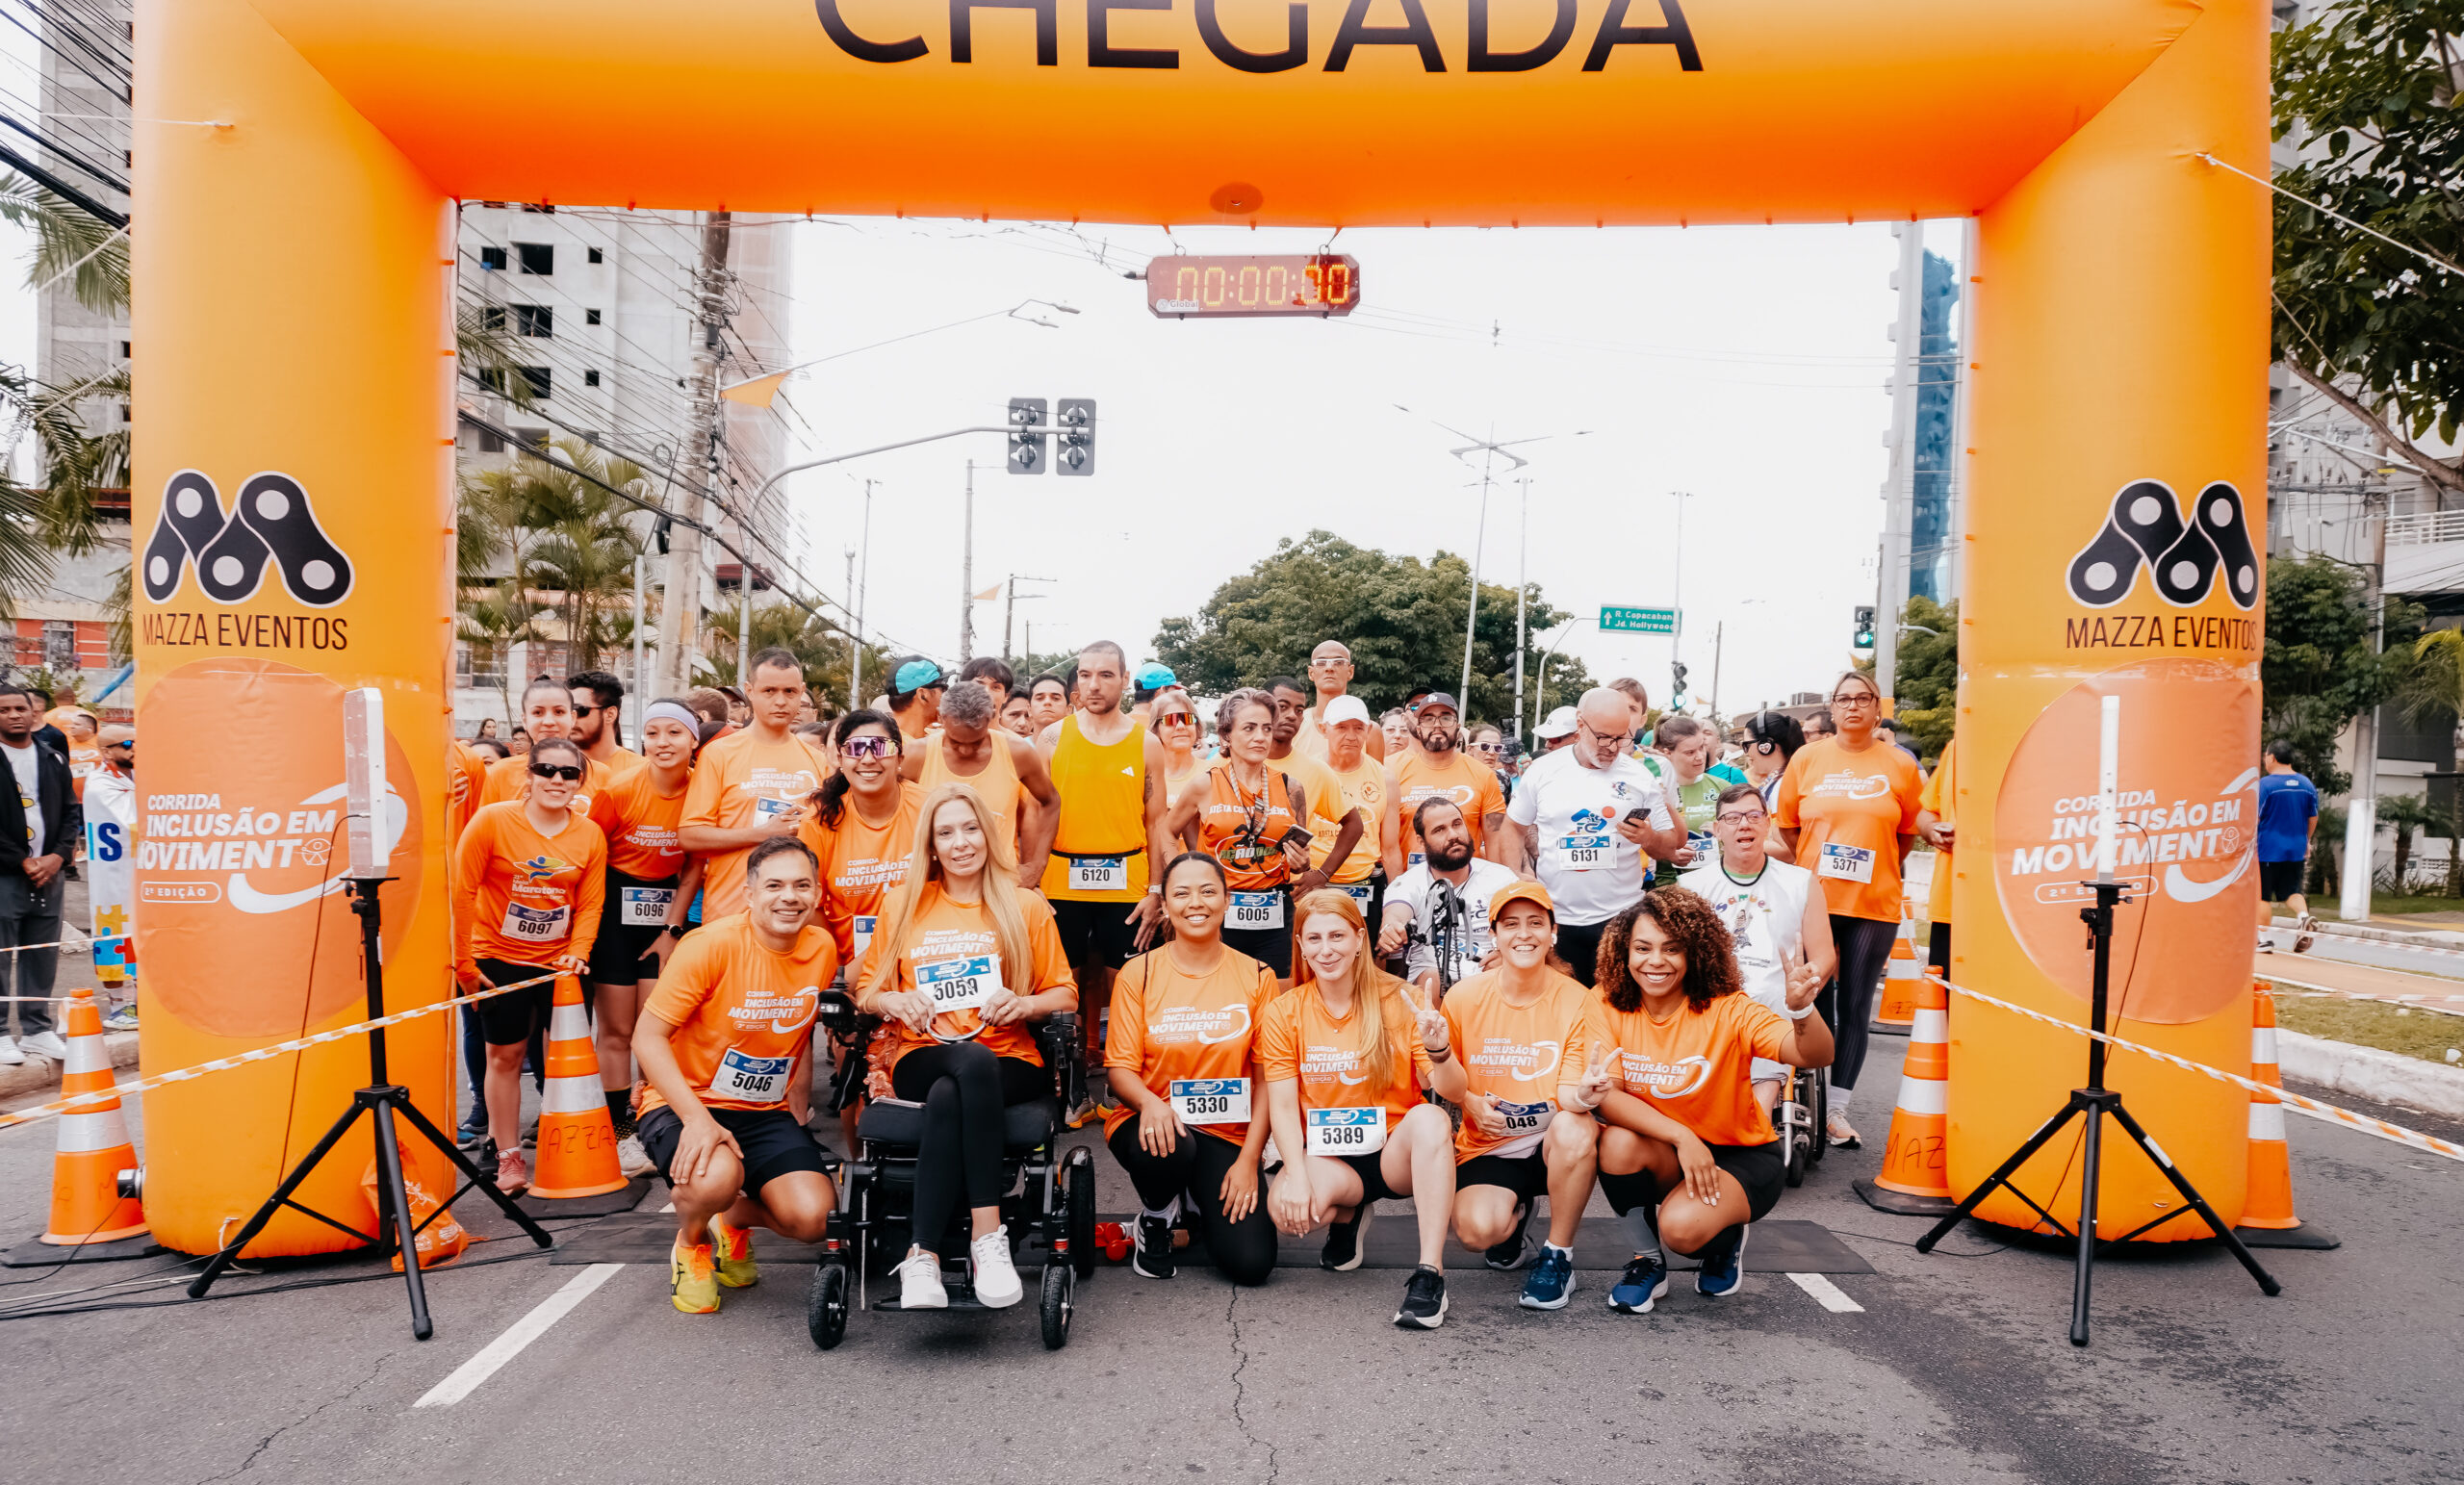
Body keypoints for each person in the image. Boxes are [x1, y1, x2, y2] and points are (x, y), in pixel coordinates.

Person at [856, 783, 1078, 1310]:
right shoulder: (905, 905)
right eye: (946, 832)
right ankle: (987, 1237)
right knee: (961, 1068)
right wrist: (896, 1000)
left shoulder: (1024, 905)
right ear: (930, 844)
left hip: (1010, 1058)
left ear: (989, 833)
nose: (960, 842)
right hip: (922, 1051)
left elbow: (1065, 990)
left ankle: (924, 1255)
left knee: (960, 1084)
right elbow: (866, 991)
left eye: (971, 828)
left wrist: (1024, 1005)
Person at [1578, 889, 1830, 1312]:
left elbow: (1814, 1055)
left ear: (1695, 953)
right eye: (1642, 948)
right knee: (1616, 1142)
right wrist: (1682, 1138)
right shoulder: (1605, 1001)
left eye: (1671, 949)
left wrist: (1802, 1011)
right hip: (1671, 1147)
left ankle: (1725, 1240)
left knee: (1682, 1231)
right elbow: (1609, 1098)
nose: (1655, 961)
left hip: (1741, 1155)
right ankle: (1647, 1262)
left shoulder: (1729, 1008)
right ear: (1624, 952)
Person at [633, 835, 840, 1314]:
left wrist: (799, 1103)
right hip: (686, 1103)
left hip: (763, 1109)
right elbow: (646, 1037)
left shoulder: (821, 947)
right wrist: (698, 1120)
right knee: (715, 1177)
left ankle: (730, 1220)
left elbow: (800, 1028)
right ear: (749, 895)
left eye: (801, 885)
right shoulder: (709, 945)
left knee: (815, 1219)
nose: (789, 896)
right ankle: (692, 1243)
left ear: (816, 894)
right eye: (774, 885)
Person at [1262, 888, 1464, 1328]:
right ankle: (1350, 1214)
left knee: (1431, 1118)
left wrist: (1440, 1048)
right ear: (1300, 946)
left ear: (1359, 939)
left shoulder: (1401, 999)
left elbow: (1454, 1091)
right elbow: (1280, 1106)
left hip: (1394, 1155)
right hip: (1330, 1157)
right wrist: (1295, 1174)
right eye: (1313, 939)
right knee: (1284, 1210)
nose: (1326, 949)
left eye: (1337, 936)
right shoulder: (1284, 1012)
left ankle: (1430, 1273)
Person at [1103, 853, 1281, 1285]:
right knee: (1171, 1144)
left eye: (1207, 891)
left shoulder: (1258, 976)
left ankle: (1196, 1204)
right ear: (1164, 905)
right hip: (1153, 1125)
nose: (1195, 902)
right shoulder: (1137, 973)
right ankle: (1158, 1216)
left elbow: (1265, 1083)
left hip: (1226, 1131)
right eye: (1181, 893)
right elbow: (1119, 1070)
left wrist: (1249, 1161)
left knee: (1251, 1265)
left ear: (1226, 900)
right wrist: (1149, 1103)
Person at [452, 736, 608, 1194]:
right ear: (529, 774)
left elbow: (591, 903)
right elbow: (462, 892)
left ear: (581, 781)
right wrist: (463, 962)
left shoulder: (589, 834)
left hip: (559, 964)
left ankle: (570, 1147)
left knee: (564, 1058)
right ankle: (508, 1157)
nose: (557, 780)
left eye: (568, 773)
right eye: (547, 770)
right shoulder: (493, 821)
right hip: (497, 956)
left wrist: (578, 951)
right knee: (505, 1055)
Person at [1774, 670, 1922, 1147]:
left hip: (1873, 902)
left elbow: (1904, 836)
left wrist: (1874, 865)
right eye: (1844, 699)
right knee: (1812, 998)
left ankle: (1836, 1111)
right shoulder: (1808, 758)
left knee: (1856, 1003)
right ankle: (1796, 1097)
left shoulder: (1900, 765)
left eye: (1864, 698)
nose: (1854, 706)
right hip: (1814, 899)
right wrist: (1813, 868)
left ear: (1879, 708)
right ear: (1833, 708)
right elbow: (1791, 827)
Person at [1440, 882, 1600, 1310]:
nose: (1523, 934)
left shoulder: (1579, 1001)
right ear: (1494, 935)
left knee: (1574, 1127)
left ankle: (1557, 1255)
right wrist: (1469, 1102)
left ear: (1553, 933)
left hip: (1552, 1140)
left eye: (1535, 923)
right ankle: (1516, 1217)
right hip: (1489, 1141)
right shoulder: (1463, 997)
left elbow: (1569, 1094)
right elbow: (1441, 1079)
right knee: (1476, 1234)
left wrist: (1583, 1096)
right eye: (1511, 924)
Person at [1036, 642, 1172, 1107]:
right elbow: (1035, 813)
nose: (1093, 685)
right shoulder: (1053, 739)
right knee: (1064, 985)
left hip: (1128, 880)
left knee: (1129, 984)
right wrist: (1031, 881)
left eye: (1105, 675)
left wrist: (1157, 889)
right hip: (1061, 878)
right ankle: (1068, 1086)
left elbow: (1157, 822)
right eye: (1086, 675)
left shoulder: (1145, 742)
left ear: (1123, 678)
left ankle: (1126, 1085)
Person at [585, 697, 705, 1173]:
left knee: (657, 1028)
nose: (662, 742)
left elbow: (695, 866)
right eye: (652, 733)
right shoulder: (618, 789)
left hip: (667, 908)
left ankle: (655, 1118)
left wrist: (672, 929)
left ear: (693, 740)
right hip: (614, 906)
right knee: (616, 1030)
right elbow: (590, 856)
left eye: (674, 732)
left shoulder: (701, 789)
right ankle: (622, 1134)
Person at [1503, 687, 1683, 986]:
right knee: (1565, 1014)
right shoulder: (1544, 771)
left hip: (1621, 919)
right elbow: (1512, 827)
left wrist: (1648, 838)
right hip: (1557, 920)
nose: (1611, 748)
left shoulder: (1638, 776)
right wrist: (1518, 874)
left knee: (1618, 1012)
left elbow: (1669, 847)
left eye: (1620, 738)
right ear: (1580, 724)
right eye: (1602, 737)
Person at [1680, 784, 1835, 1116]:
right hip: (1711, 1003)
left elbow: (1824, 955)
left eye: (1753, 815)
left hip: (1774, 1002)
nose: (1744, 825)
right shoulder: (1691, 886)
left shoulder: (1800, 881)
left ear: (1768, 824)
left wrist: (1808, 982)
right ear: (1718, 830)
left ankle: (1757, 1125)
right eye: (1732, 818)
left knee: (1770, 1003)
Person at [1164, 689, 1329, 983]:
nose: (1260, 737)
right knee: (1220, 995)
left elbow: (1299, 861)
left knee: (1276, 999)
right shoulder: (1204, 784)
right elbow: (1166, 830)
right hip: (1219, 909)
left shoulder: (1292, 788)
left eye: (1266, 728)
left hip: (1275, 910)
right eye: (1249, 728)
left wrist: (1302, 864)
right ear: (1226, 736)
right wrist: (1179, 880)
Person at [680, 648, 831, 922]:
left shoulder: (818, 761)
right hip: (728, 916)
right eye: (769, 691)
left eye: (790, 692)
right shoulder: (720, 754)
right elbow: (690, 836)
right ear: (750, 690)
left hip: (791, 919)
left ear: (802, 691)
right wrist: (761, 833)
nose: (781, 701)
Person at [800, 709, 922, 988]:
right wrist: (841, 978)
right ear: (840, 760)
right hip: (851, 967)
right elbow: (813, 908)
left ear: (900, 757)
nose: (868, 759)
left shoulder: (931, 808)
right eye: (855, 748)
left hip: (922, 961)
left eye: (880, 747)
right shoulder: (818, 821)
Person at [909, 679, 1060, 882]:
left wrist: (1036, 867)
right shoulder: (917, 755)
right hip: (938, 887)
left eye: (976, 742)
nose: (965, 750)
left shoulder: (1016, 753)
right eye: (955, 742)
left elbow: (1051, 802)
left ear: (991, 717)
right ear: (940, 718)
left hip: (1002, 886)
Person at [0, 686, 72, 1065]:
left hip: (50, 874)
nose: (14, 715)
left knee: (41, 953)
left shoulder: (53, 758)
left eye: (20, 708)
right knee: (1, 953)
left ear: (34, 714)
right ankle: (0, 1034)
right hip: (7, 875)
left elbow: (71, 813)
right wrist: (21, 861)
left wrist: (58, 857)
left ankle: (37, 1030)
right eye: (4, 710)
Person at [1379, 798, 1519, 994]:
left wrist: (1507, 955)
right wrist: (1391, 928)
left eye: (1457, 824)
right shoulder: (1408, 882)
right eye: (1439, 830)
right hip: (1432, 977)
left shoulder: (1501, 878)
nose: (1453, 835)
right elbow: (1395, 914)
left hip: (1488, 973)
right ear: (1421, 842)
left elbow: (1521, 929)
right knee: (1433, 979)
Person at [1266, 676, 1369, 899]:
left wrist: (1322, 874)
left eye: (1300, 710)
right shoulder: (1226, 765)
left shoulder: (1315, 769)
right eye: (1282, 707)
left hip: (1293, 895)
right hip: (1231, 892)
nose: (1292, 715)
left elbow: (1354, 825)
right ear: (1261, 707)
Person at [1313, 696, 1403, 928]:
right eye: (1341, 727)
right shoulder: (1308, 773)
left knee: (1365, 959)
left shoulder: (1385, 778)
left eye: (1358, 728)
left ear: (1368, 730)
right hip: (1315, 885)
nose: (1351, 736)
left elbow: (1391, 849)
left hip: (1365, 884)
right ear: (1324, 729)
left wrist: (1397, 907)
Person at [1391, 693, 1507, 864]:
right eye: (1428, 719)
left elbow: (1495, 840)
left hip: (1466, 883)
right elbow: (1387, 843)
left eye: (1445, 718)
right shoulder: (1392, 771)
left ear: (1458, 727)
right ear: (1418, 727)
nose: (1437, 725)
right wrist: (1397, 885)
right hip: (1410, 883)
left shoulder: (1483, 774)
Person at [477, 678, 618, 811]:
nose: (549, 721)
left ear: (573, 718)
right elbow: (486, 830)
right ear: (525, 720)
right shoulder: (501, 772)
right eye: (538, 712)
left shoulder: (600, 774)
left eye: (559, 712)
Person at [1644, 715, 1740, 869]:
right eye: (1690, 752)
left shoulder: (1722, 787)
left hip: (1715, 879)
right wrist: (1670, 854)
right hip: (1668, 884)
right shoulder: (1654, 790)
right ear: (1667, 753)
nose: (1700, 756)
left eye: (1702, 747)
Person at [2257, 739, 2321, 954]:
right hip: (2295, 848)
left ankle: (2264, 940)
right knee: (2291, 891)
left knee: (2262, 895)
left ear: (2272, 757)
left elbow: (2255, 818)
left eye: (2266, 755)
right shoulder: (2306, 784)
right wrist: (2307, 841)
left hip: (2268, 849)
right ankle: (2303, 918)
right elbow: (2313, 817)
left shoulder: (2265, 785)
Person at [1296, 640, 1386, 761]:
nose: (1329, 668)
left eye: (1338, 662)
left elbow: (1377, 777)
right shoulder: (1296, 725)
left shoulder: (1369, 730)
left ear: (1350, 671)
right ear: (1311, 673)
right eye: (1321, 663)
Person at [1916, 736, 1958, 970]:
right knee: (1944, 999)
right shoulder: (1957, 747)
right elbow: (1926, 812)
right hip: (1950, 905)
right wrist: (1932, 830)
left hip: (2016, 907)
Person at [568, 669, 640, 775]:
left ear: (610, 714)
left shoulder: (640, 770)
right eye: (567, 711)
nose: (572, 718)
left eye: (580, 710)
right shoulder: (556, 769)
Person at [1151, 688, 1205, 810]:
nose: (1181, 726)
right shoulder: (1144, 776)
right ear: (1156, 728)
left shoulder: (1213, 772)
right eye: (1171, 719)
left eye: (1188, 719)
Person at [886, 657, 947, 743]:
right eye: (943, 689)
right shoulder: (898, 750)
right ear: (923, 695)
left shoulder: (884, 741)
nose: (945, 695)